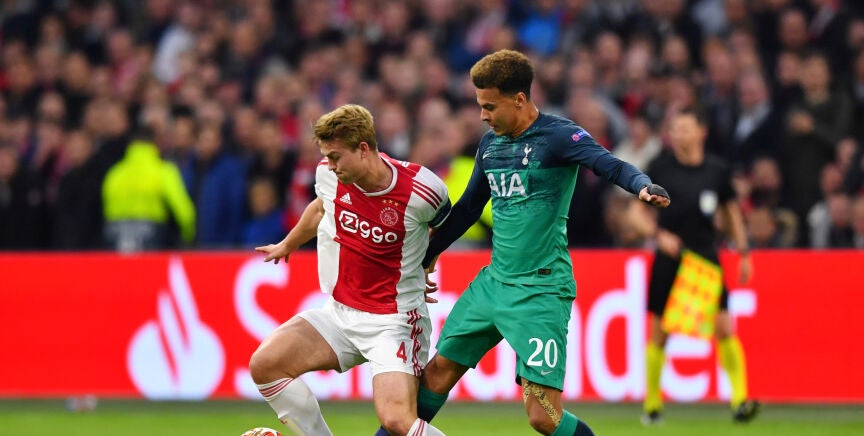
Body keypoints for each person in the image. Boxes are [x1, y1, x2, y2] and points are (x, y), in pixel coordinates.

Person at [377, 49, 671, 436]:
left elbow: (608, 163)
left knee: (543, 415)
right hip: (494, 284)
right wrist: (428, 255)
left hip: (541, 290)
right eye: (480, 105)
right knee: (436, 374)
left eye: (489, 106)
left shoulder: (559, 137)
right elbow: (468, 209)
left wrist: (642, 185)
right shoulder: (490, 145)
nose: (483, 115)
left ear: (519, 99)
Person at [250, 104, 451, 436]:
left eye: (336, 156)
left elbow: (446, 227)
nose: (330, 165)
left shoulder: (421, 189)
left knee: (397, 421)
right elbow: (320, 208)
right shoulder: (328, 175)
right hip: (340, 313)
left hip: (395, 321)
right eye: (326, 157)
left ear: (363, 148)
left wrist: (428, 262)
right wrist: (288, 243)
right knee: (266, 364)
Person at [640, 108, 760, 425]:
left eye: (685, 128)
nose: (678, 134)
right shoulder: (659, 168)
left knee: (724, 327)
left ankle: (740, 400)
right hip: (670, 256)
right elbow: (635, 213)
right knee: (660, 331)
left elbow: (732, 212)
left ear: (701, 132)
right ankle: (652, 405)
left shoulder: (717, 171)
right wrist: (657, 234)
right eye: (674, 129)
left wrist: (743, 252)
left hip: (705, 256)